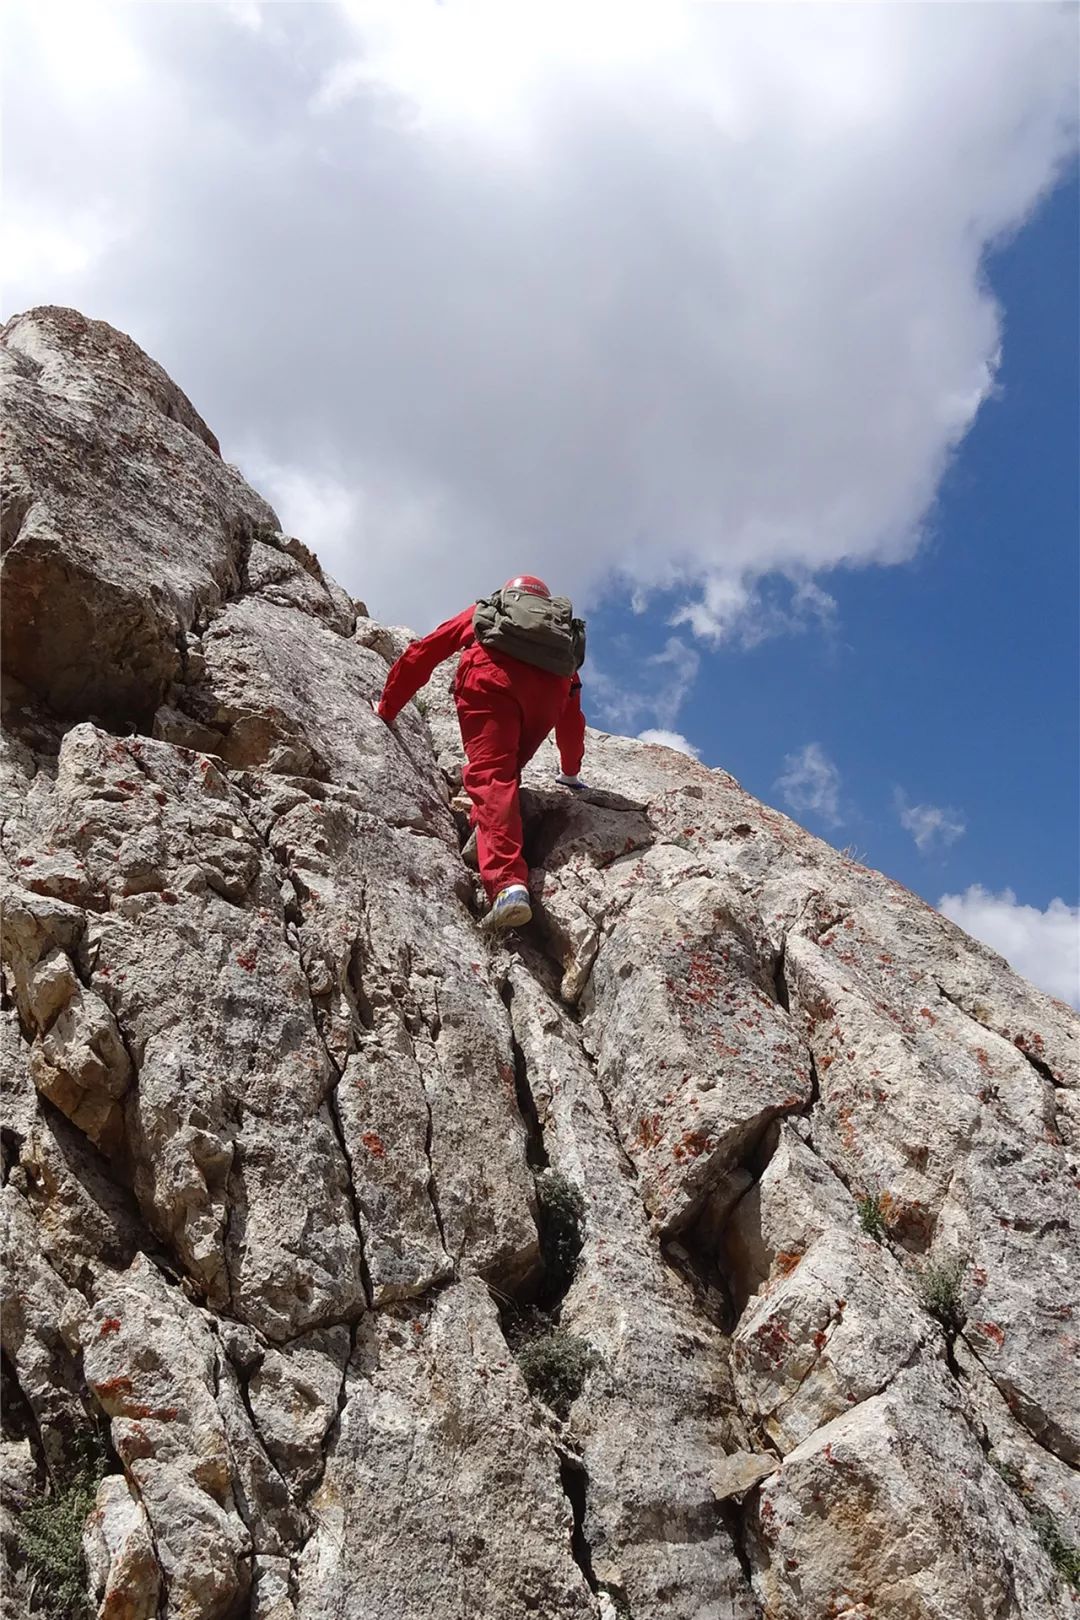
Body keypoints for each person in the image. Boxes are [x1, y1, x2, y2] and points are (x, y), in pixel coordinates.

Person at [372, 576, 587, 931]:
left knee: (493, 775)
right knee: (507, 771)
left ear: (510, 595)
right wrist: (570, 771)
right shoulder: (560, 640)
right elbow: (573, 718)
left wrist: (387, 706)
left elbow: (424, 652)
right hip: (549, 696)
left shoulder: (487, 612)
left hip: (490, 680)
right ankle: (483, 833)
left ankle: (506, 885)